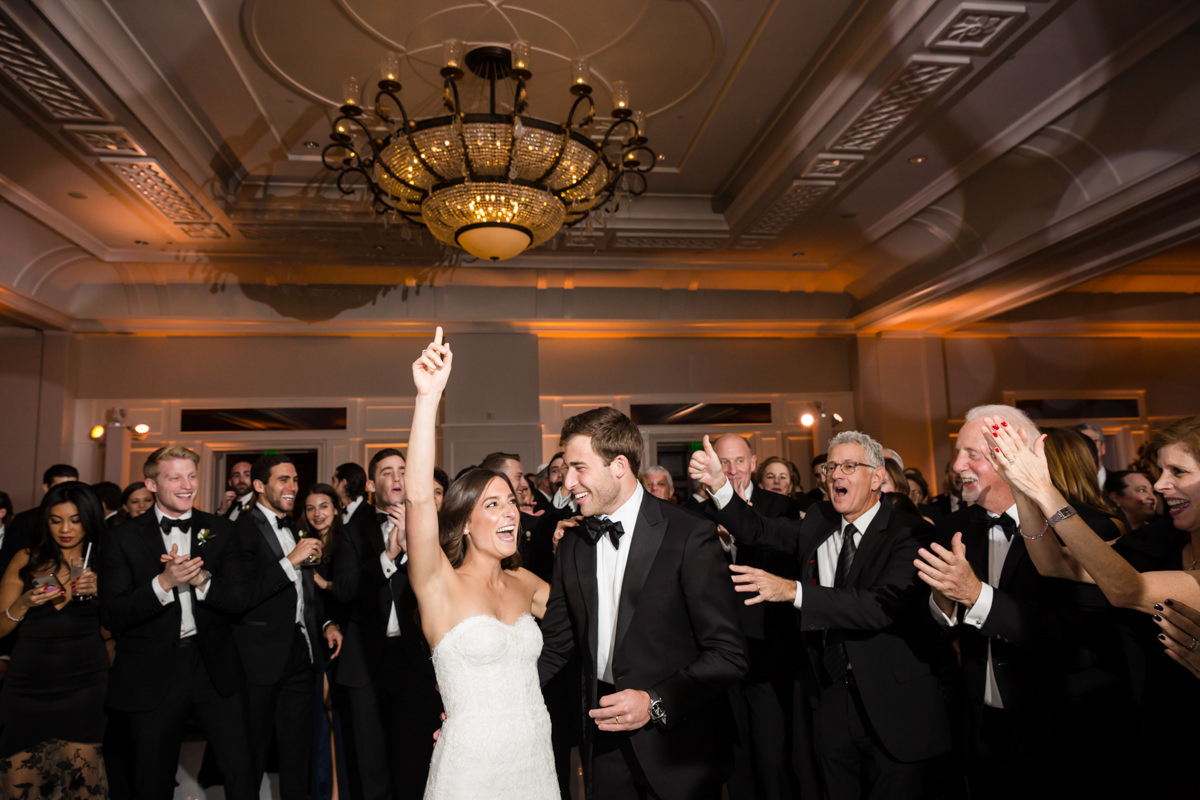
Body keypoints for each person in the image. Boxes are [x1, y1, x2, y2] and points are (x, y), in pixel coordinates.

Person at [691, 432, 954, 800]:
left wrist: (792, 591)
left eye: (850, 466)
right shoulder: (819, 519)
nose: (835, 475)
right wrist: (720, 485)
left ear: (877, 478)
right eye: (832, 467)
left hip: (894, 704)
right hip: (831, 700)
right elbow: (758, 528)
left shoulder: (910, 533)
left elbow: (877, 607)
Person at [915, 406, 1135, 800]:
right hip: (981, 730)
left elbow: (1078, 643)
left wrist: (976, 596)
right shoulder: (953, 529)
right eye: (958, 453)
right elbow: (935, 637)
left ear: (1015, 458)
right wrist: (942, 603)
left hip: (1062, 731)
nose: (957, 465)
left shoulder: (1086, 530)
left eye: (973, 455)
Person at [985, 414, 1200, 795]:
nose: (1161, 484)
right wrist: (1023, 489)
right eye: (1161, 470)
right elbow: (1055, 563)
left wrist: (1046, 490)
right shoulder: (1159, 542)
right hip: (1157, 730)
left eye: (1178, 472)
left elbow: (1125, 589)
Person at [540, 406, 747, 800]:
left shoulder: (689, 535)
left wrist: (653, 703)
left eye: (578, 468)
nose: (567, 483)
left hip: (680, 747)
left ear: (619, 465)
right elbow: (554, 646)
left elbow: (728, 655)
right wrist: (488, 704)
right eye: (566, 469)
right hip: (602, 742)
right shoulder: (571, 544)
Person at [406, 328, 558, 799]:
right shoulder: (439, 585)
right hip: (471, 767)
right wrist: (428, 399)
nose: (509, 510)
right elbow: (416, 498)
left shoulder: (526, 582)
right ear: (465, 523)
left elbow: (590, 624)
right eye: (491, 505)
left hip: (535, 756)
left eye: (510, 501)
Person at [101, 446, 258, 800]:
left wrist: (202, 580)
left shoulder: (221, 530)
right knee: (152, 775)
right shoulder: (121, 538)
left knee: (240, 767)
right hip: (152, 669)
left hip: (213, 665)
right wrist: (164, 583)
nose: (187, 486)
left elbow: (241, 600)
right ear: (152, 484)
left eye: (192, 476)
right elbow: (112, 615)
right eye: (175, 477)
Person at [689, 435, 803, 800]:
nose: (733, 470)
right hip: (718, 649)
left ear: (754, 463)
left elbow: (778, 555)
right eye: (724, 462)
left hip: (770, 645)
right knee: (732, 750)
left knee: (772, 749)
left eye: (740, 461)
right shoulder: (695, 515)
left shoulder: (781, 508)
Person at [233, 454, 333, 800]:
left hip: (300, 654)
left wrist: (326, 623)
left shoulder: (294, 527)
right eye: (282, 480)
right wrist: (289, 561)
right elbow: (242, 595)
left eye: (293, 480)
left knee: (297, 752)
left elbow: (305, 594)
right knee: (252, 753)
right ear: (260, 486)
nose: (292, 487)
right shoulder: (240, 529)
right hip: (259, 658)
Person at [0, 481, 108, 798]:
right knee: (21, 786)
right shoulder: (26, 558)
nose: (65, 529)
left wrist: (103, 592)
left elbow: (128, 623)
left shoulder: (106, 562)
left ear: (89, 519)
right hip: (27, 685)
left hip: (85, 685)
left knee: (83, 786)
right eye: (56, 519)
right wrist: (23, 603)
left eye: (75, 520)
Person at [301, 484, 349, 800]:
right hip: (314, 637)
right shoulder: (301, 544)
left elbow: (354, 590)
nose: (317, 513)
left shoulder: (348, 542)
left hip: (345, 639)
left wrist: (325, 582)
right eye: (310, 508)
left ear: (335, 508)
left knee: (337, 716)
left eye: (324, 506)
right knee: (319, 720)